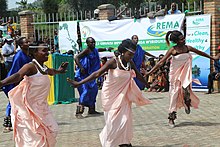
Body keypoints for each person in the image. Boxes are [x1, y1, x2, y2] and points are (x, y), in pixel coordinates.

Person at [67, 39, 151, 147]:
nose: (131, 57)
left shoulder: (130, 63)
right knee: (113, 122)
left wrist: (147, 84)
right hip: (110, 95)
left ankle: (124, 142)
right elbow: (97, 74)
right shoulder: (113, 62)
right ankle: (109, 142)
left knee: (125, 120)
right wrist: (79, 83)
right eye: (129, 54)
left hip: (123, 95)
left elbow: (138, 75)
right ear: (122, 52)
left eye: (133, 54)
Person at [0, 42, 68, 146]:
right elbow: (18, 75)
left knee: (52, 129)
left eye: (47, 50)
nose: (47, 53)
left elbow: (51, 71)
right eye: (44, 51)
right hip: (30, 110)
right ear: (34, 53)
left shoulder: (43, 67)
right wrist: (2, 83)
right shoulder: (30, 67)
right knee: (35, 139)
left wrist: (60, 71)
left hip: (42, 108)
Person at [144, 30, 215, 128]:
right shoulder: (172, 50)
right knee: (174, 94)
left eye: (183, 38)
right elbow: (161, 62)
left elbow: (200, 52)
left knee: (186, 88)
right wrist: (149, 72)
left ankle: (187, 101)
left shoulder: (187, 48)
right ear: (176, 41)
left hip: (185, 72)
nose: (184, 40)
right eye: (181, 39)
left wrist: (212, 58)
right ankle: (171, 117)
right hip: (174, 74)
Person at [2, 37, 32, 133]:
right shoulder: (19, 56)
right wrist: (16, 84)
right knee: (12, 102)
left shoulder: (27, 54)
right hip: (13, 83)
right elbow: (16, 72)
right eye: (26, 42)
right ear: (21, 45)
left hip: (22, 82)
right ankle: (7, 124)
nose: (29, 43)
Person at [74, 37, 101, 118]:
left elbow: (100, 49)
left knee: (94, 90)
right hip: (83, 75)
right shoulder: (86, 50)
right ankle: (79, 112)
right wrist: (81, 67)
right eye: (91, 42)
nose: (93, 44)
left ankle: (91, 109)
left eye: (94, 42)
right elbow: (76, 57)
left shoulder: (95, 50)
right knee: (85, 92)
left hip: (91, 74)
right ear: (87, 43)